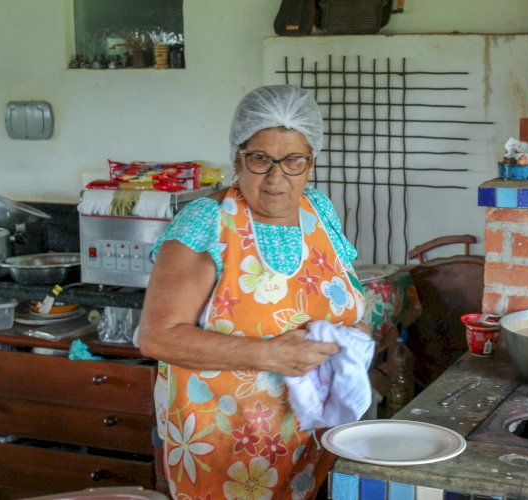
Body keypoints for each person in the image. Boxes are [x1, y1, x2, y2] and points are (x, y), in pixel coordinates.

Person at [138, 84, 370, 498]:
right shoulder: (206, 223)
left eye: (293, 160)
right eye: (261, 159)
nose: (276, 177)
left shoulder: (319, 210)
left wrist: (354, 336)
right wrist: (270, 354)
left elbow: (346, 291)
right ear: (237, 158)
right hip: (225, 448)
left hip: (312, 440)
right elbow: (157, 336)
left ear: (311, 163)